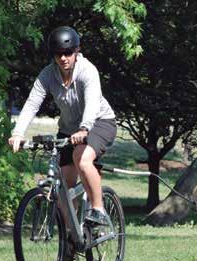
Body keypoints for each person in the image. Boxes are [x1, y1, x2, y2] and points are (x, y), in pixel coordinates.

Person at [8, 26, 117, 228]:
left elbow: (92, 102)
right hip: (68, 129)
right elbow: (32, 103)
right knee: (63, 187)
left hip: (100, 123)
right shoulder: (48, 75)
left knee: (82, 160)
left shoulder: (87, 71)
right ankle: (71, 236)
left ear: (76, 51)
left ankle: (99, 210)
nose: (63, 58)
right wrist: (17, 133)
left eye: (68, 53)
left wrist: (84, 129)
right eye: (59, 54)